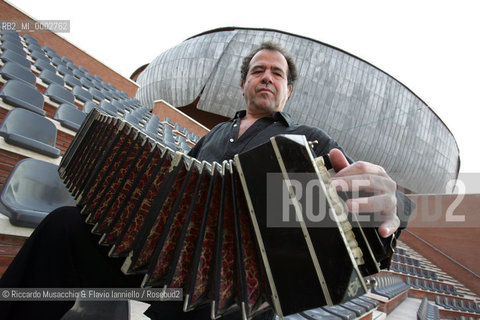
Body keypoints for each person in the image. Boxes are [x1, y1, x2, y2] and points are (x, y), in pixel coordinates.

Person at [0, 42, 412, 320]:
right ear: (244, 82)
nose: (266, 77)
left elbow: (362, 201)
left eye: (277, 74)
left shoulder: (308, 142)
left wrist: (392, 204)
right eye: (258, 71)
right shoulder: (210, 138)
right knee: (64, 228)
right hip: (169, 266)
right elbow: (180, 188)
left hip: (242, 295)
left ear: (287, 90)